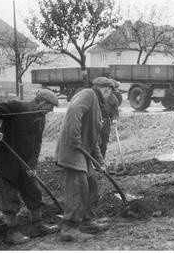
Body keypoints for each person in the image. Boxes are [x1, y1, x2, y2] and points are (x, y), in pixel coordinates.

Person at [0, 89, 60, 244]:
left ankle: (37, 226)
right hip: (6, 160)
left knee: (33, 192)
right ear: (42, 102)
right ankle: (12, 233)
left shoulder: (40, 117)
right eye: (50, 107)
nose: (51, 111)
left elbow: (37, 144)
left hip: (24, 162)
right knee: (10, 196)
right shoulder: (18, 107)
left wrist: (32, 165)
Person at [54, 76, 114, 241]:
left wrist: (101, 163)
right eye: (110, 93)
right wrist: (74, 138)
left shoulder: (97, 106)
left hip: (83, 152)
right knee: (78, 187)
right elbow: (74, 110)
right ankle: (69, 228)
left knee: (92, 185)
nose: (110, 98)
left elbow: (93, 140)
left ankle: (86, 220)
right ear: (106, 90)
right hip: (73, 150)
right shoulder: (88, 94)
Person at [99, 80, 120, 160]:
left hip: (105, 122)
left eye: (111, 89)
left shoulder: (114, 99)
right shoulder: (97, 96)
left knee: (104, 142)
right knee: (94, 142)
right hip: (95, 120)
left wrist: (114, 119)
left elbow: (115, 112)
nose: (109, 90)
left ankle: (101, 161)